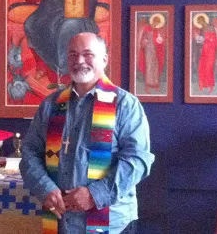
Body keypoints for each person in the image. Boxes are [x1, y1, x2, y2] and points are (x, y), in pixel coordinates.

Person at [20, 32, 154, 233]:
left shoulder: (126, 105)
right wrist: (45, 188)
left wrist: (95, 194)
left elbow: (138, 160)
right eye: (73, 55)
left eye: (88, 54)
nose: (79, 60)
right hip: (61, 222)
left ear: (104, 59)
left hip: (112, 223)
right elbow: (30, 152)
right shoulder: (51, 105)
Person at [137, 15, 165, 93]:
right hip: (148, 51)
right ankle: (147, 86)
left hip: (156, 52)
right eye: (155, 21)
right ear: (152, 22)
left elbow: (161, 42)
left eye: (157, 22)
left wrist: (160, 41)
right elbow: (143, 39)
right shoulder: (147, 28)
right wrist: (145, 41)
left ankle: (155, 84)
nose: (156, 24)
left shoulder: (157, 31)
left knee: (155, 67)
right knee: (148, 67)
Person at [195, 15, 217, 93]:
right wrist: (199, 40)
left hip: (211, 51)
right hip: (204, 51)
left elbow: (215, 40)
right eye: (199, 23)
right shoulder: (202, 30)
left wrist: (209, 39)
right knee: (201, 67)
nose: (200, 24)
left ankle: (210, 86)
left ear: (203, 21)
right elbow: (201, 41)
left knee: (209, 68)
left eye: (200, 22)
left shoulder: (211, 27)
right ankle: (202, 85)